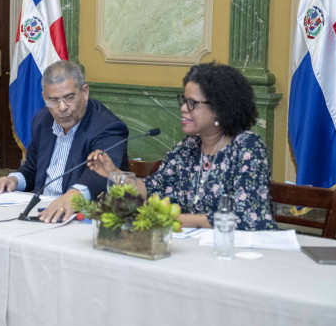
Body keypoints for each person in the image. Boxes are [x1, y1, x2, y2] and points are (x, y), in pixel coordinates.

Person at [88, 62, 277, 230]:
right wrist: (113, 173)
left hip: (241, 251)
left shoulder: (247, 148)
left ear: (219, 108)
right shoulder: (188, 147)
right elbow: (151, 189)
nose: (183, 108)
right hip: (194, 246)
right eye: (184, 101)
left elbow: (247, 217)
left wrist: (172, 219)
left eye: (192, 103)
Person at [0, 60, 129, 223]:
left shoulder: (108, 127)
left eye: (69, 97)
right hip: (43, 212)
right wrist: (14, 180)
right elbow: (32, 169)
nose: (62, 107)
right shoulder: (43, 119)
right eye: (54, 100)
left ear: (85, 92)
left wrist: (74, 195)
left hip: (84, 218)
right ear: (44, 97)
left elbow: (102, 174)